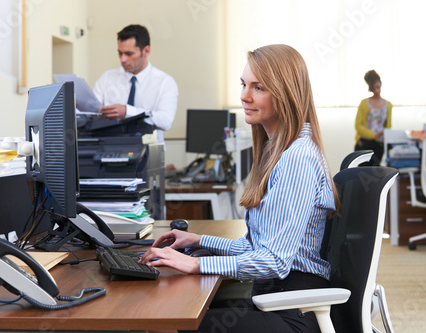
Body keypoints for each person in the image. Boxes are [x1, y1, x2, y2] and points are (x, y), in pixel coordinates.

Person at [140, 44, 341, 333]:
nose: (244, 96)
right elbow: (255, 247)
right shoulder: (278, 152)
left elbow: (274, 261)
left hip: (294, 312)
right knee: (173, 310)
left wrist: (196, 265)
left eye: (258, 88)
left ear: (285, 94)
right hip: (274, 300)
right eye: (244, 84)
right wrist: (198, 241)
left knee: (169, 321)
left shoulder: (297, 158)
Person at [93, 24, 178, 143]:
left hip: (150, 151)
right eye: (120, 53)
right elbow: (92, 112)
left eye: (129, 54)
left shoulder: (165, 82)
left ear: (146, 51)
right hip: (111, 148)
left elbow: (165, 121)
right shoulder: (107, 78)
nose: (122, 59)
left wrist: (128, 112)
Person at [354, 70, 392, 166]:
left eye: (378, 87)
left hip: (379, 145)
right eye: (374, 88)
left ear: (381, 84)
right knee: (362, 174)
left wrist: (383, 133)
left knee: (375, 174)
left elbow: (388, 126)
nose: (376, 91)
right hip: (364, 144)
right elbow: (358, 125)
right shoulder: (364, 103)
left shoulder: (388, 105)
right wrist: (374, 135)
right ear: (370, 88)